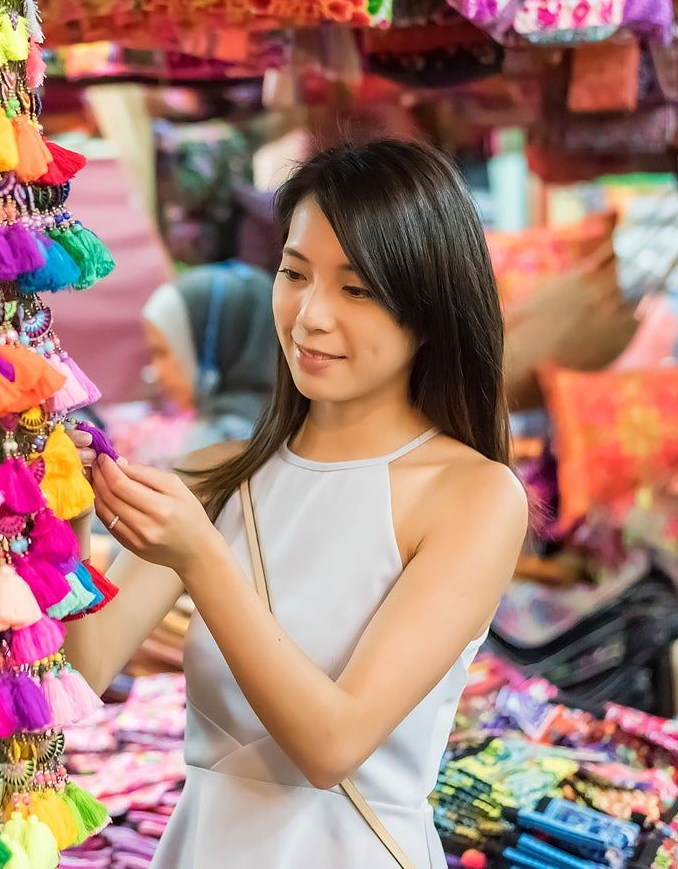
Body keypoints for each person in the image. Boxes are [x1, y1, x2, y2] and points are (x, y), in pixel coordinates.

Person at [64, 140, 529, 867]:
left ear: (429, 309)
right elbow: (85, 670)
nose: (310, 317)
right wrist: (66, 511)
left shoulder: (474, 495)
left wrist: (202, 559)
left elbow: (332, 746)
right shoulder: (216, 477)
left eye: (357, 289)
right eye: (294, 273)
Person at [140, 261, 279, 451]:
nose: (155, 371)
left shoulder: (221, 444)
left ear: (213, 350)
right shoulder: (285, 423)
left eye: (162, 353)